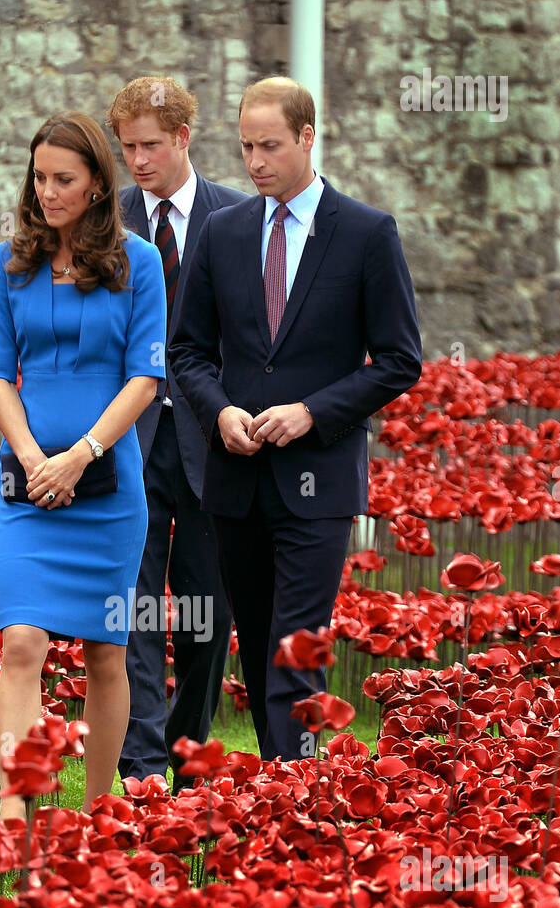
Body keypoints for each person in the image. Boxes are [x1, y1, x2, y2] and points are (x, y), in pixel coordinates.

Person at [168, 76, 422, 762]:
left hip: (319, 482)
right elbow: (185, 350)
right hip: (235, 478)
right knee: (257, 650)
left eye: (270, 146)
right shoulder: (219, 233)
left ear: (307, 138)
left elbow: (399, 359)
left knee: (294, 649)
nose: (254, 161)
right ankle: (289, 798)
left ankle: (292, 799)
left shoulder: (367, 234)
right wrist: (218, 412)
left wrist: (311, 411)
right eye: (246, 145)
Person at [0, 111, 167, 818]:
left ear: (94, 186)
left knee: (104, 654)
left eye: (63, 179)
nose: (47, 190)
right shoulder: (9, 264)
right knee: (22, 640)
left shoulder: (137, 263)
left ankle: (93, 815)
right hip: (26, 485)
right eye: (39, 177)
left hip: (109, 489)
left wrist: (80, 456)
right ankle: (12, 816)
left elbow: (145, 378)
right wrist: (33, 459)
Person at [106, 77, 246, 793]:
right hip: (125, 441)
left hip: (209, 441)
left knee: (205, 612)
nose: (136, 159)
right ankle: (139, 762)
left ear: (183, 138)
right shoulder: (105, 222)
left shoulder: (239, 216)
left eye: (150, 145)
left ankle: (190, 756)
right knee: (131, 607)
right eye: (126, 146)